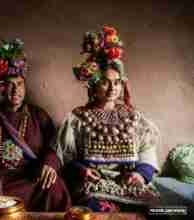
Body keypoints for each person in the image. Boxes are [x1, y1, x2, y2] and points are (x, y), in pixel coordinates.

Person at [54, 26, 160, 212]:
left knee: (160, 211)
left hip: (129, 184)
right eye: (105, 82)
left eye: (117, 82)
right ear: (94, 87)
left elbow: (147, 151)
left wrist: (141, 175)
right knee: (96, 212)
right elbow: (66, 157)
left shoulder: (135, 118)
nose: (113, 88)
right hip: (93, 187)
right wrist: (82, 171)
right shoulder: (77, 119)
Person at [0, 39, 71, 218]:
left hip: (33, 179)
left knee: (56, 190)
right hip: (0, 182)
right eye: (9, 85)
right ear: (1, 88)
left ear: (25, 85)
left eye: (20, 84)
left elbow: (55, 146)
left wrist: (50, 165)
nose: (15, 90)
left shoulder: (39, 115)